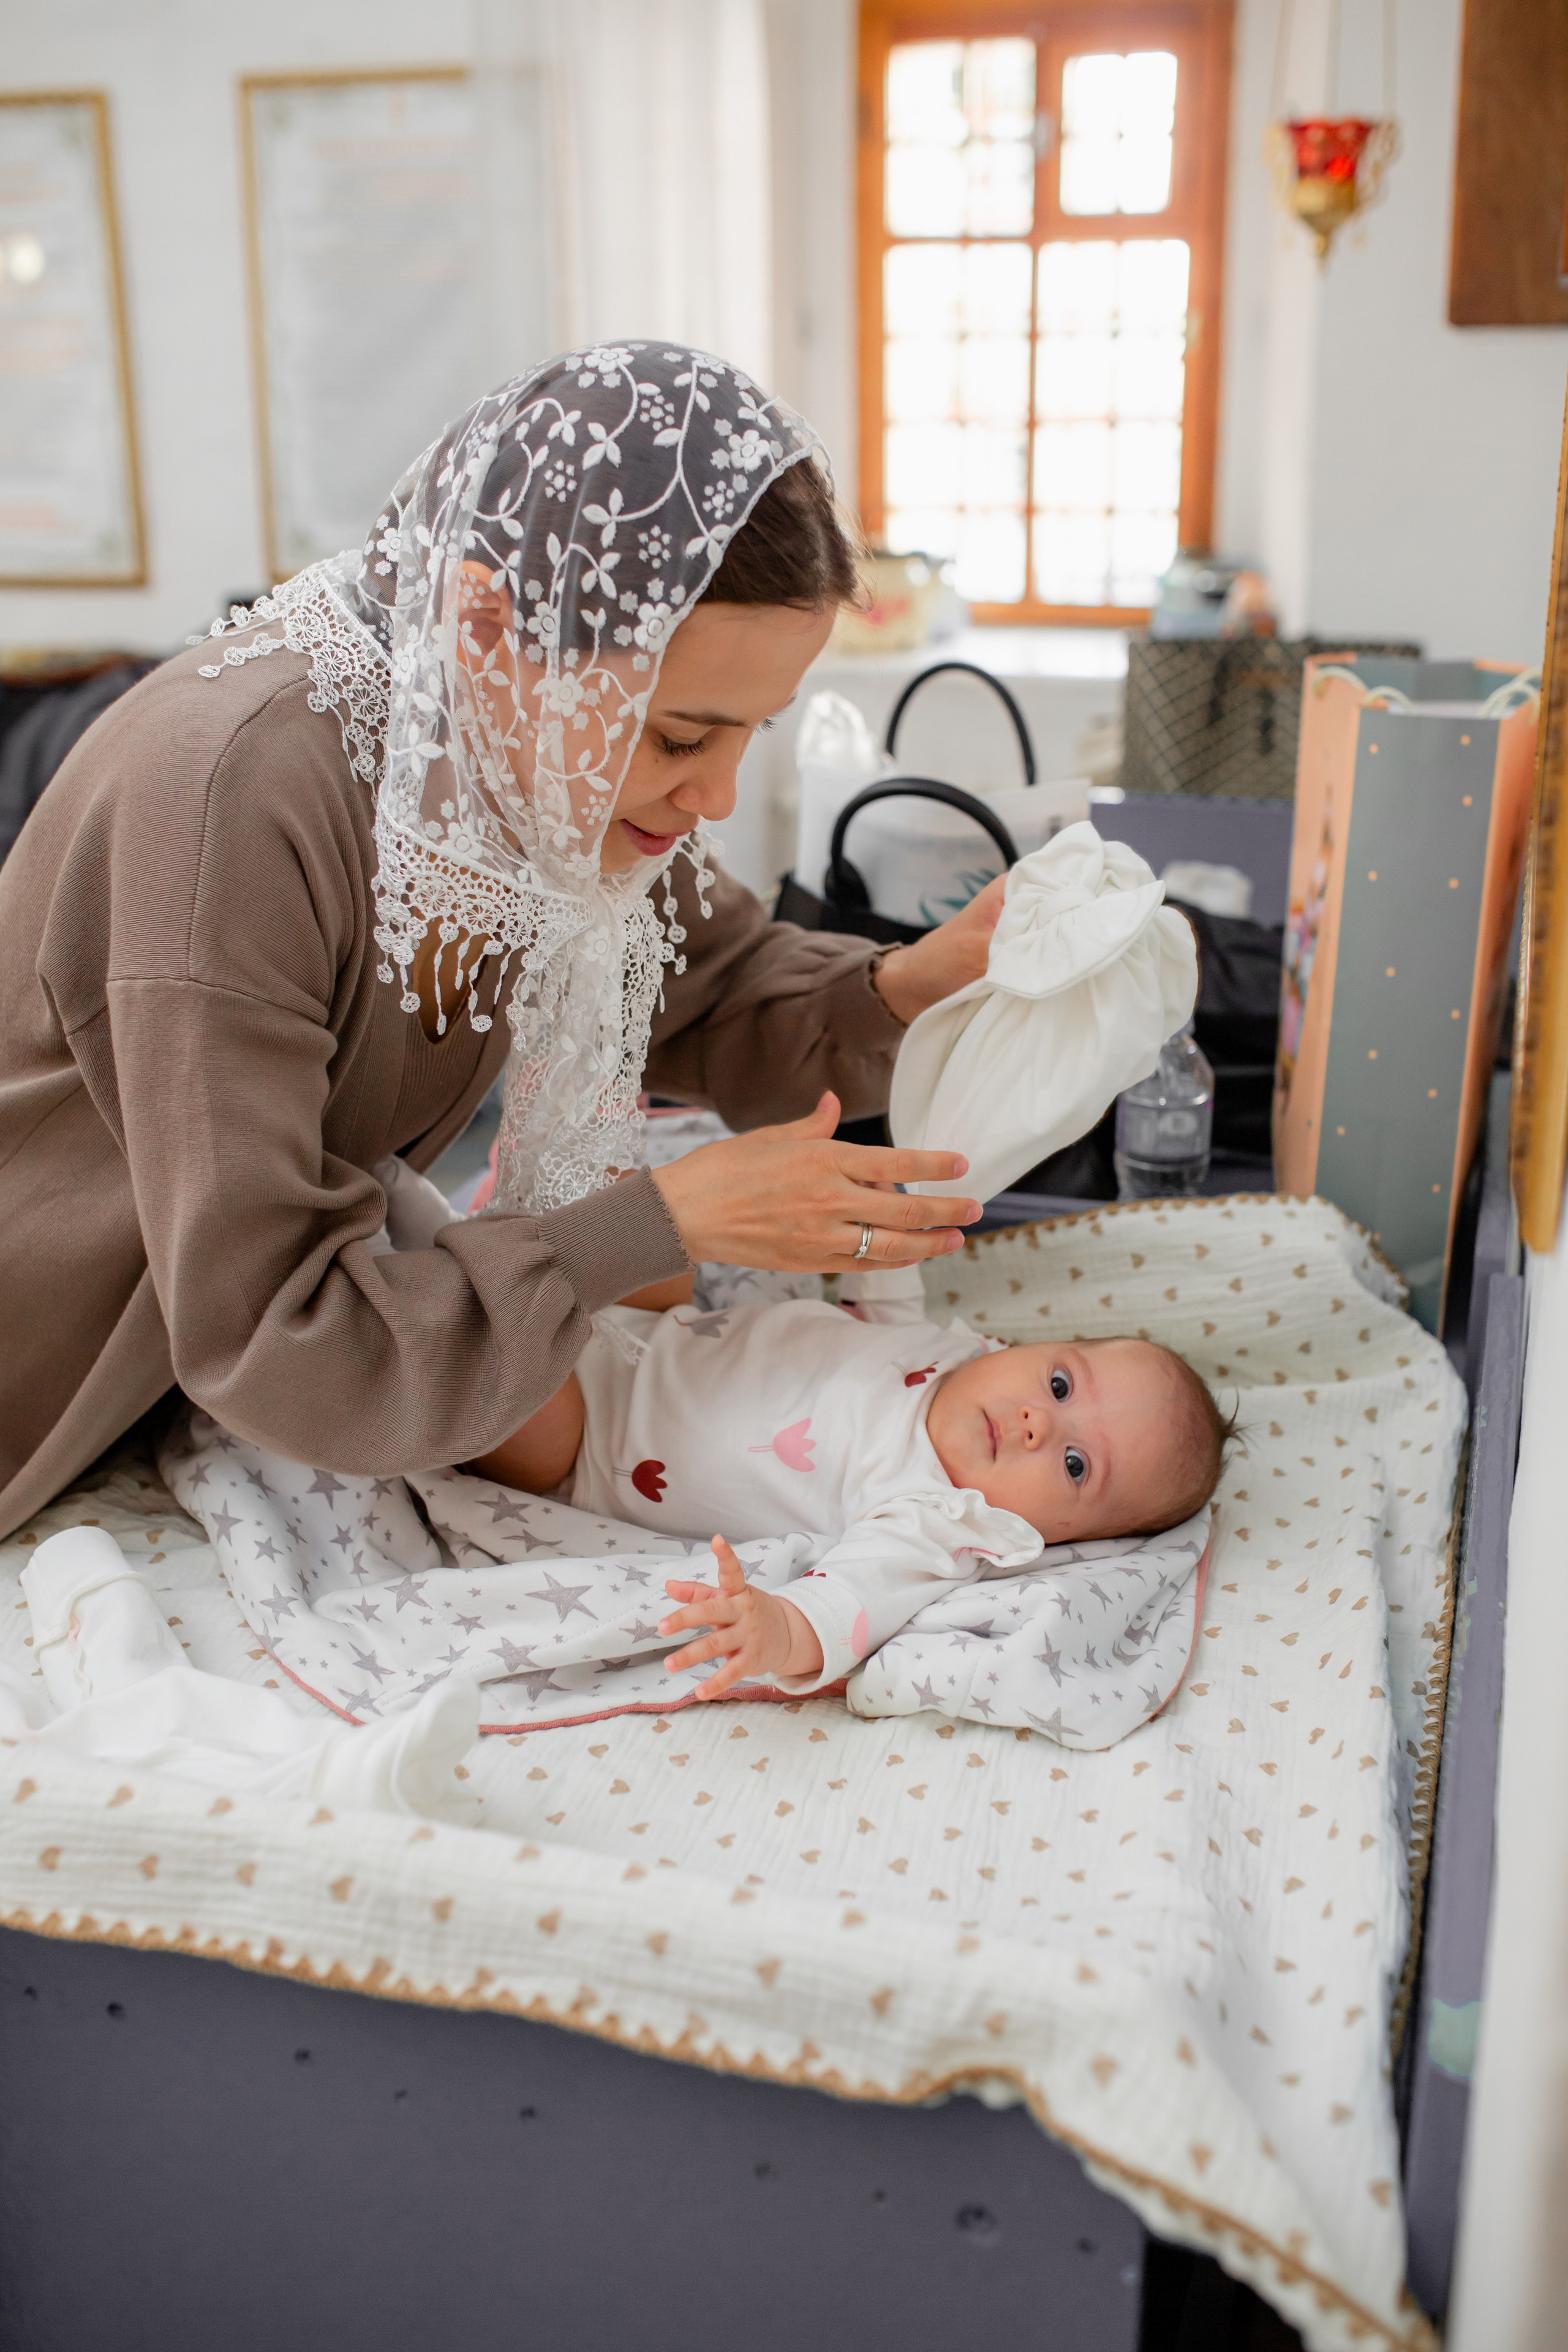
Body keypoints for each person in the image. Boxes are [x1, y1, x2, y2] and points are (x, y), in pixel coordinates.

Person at [0, 344, 1005, 1540]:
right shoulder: (230, 802)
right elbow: (277, 1333)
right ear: (483, 622)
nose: (719, 797)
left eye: (751, 732)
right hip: (46, 1375)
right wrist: (655, 1221)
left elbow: (709, 977)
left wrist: (915, 980)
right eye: (683, 735)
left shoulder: (516, 753)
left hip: (183, 1359)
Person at [472, 1265, 1231, 1700]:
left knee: (493, 1357)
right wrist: (891, 1214)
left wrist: (775, 1630)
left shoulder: (936, 1518)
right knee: (646, 1225)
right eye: (1061, 1384)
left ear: (1041, 1539)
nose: (1039, 1423)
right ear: (1033, 1346)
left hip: (583, 1442)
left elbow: (848, 1605)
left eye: (1074, 1466)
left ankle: (437, 1307)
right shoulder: (953, 1349)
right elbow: (882, 1288)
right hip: (635, 1324)